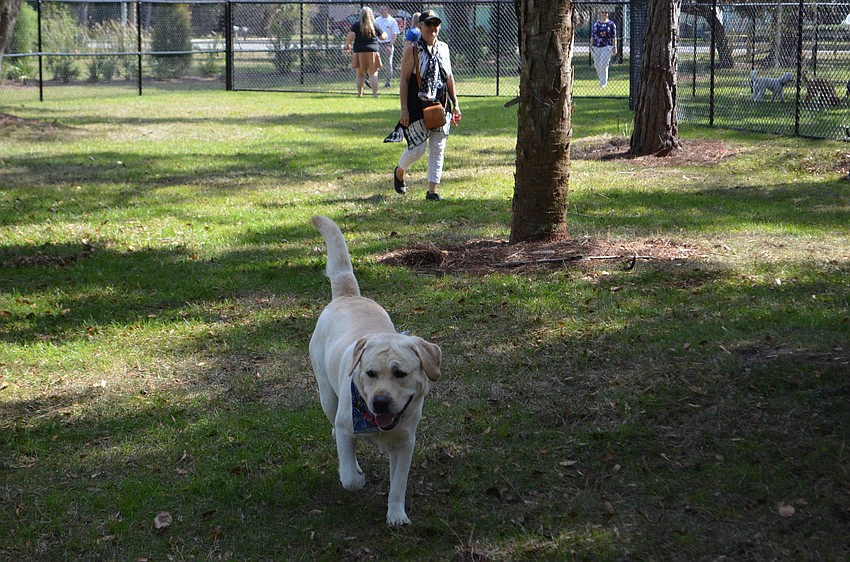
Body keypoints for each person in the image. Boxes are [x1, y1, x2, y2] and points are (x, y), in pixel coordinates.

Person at [393, 9, 461, 201]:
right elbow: (405, 80)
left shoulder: (444, 48)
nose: (433, 28)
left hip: (441, 103)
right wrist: (404, 109)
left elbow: (449, 77)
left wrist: (456, 104)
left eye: (436, 24)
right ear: (420, 26)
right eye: (429, 24)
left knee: (438, 146)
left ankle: (432, 191)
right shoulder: (412, 49)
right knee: (417, 149)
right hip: (417, 104)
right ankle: (399, 171)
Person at [345, 7, 387, 97]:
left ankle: (360, 94)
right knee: (373, 73)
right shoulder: (374, 25)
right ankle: (375, 94)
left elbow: (350, 36)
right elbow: (383, 37)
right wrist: (385, 34)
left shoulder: (356, 25)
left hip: (359, 51)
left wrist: (347, 45)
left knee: (360, 74)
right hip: (373, 51)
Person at [590, 10, 617, 88]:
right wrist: (591, 46)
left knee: (603, 64)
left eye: (606, 12)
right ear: (600, 13)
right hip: (596, 46)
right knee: (597, 65)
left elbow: (614, 37)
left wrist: (615, 47)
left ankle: (603, 84)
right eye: (602, 12)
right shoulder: (596, 24)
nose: (604, 14)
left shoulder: (611, 24)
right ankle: (601, 79)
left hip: (607, 46)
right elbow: (592, 36)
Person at [375, 5, 400, 88]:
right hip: (378, 44)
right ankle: (374, 81)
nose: (381, 11)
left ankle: (388, 82)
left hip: (387, 44)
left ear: (387, 10)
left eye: (383, 10)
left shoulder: (392, 21)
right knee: (375, 63)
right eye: (380, 10)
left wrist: (390, 45)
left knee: (388, 64)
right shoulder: (377, 20)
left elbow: (395, 34)